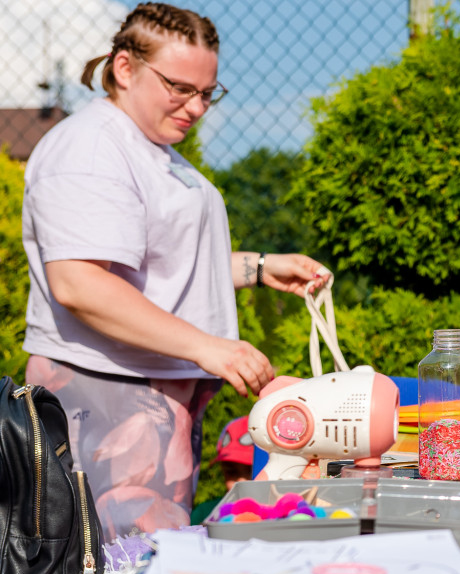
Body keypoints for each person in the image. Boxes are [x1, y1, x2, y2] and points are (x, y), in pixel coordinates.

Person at [21, 2, 326, 543]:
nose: (197, 107)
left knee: (148, 570)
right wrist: (211, 348)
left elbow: (153, 267)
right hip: (107, 394)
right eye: (180, 87)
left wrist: (256, 268)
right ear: (124, 69)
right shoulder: (91, 148)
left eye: (208, 92)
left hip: (151, 395)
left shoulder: (152, 149)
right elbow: (80, 282)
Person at [189, 416, 258, 525]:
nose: (241, 481)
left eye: (252, 471)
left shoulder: (280, 515)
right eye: (232, 472)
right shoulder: (205, 513)